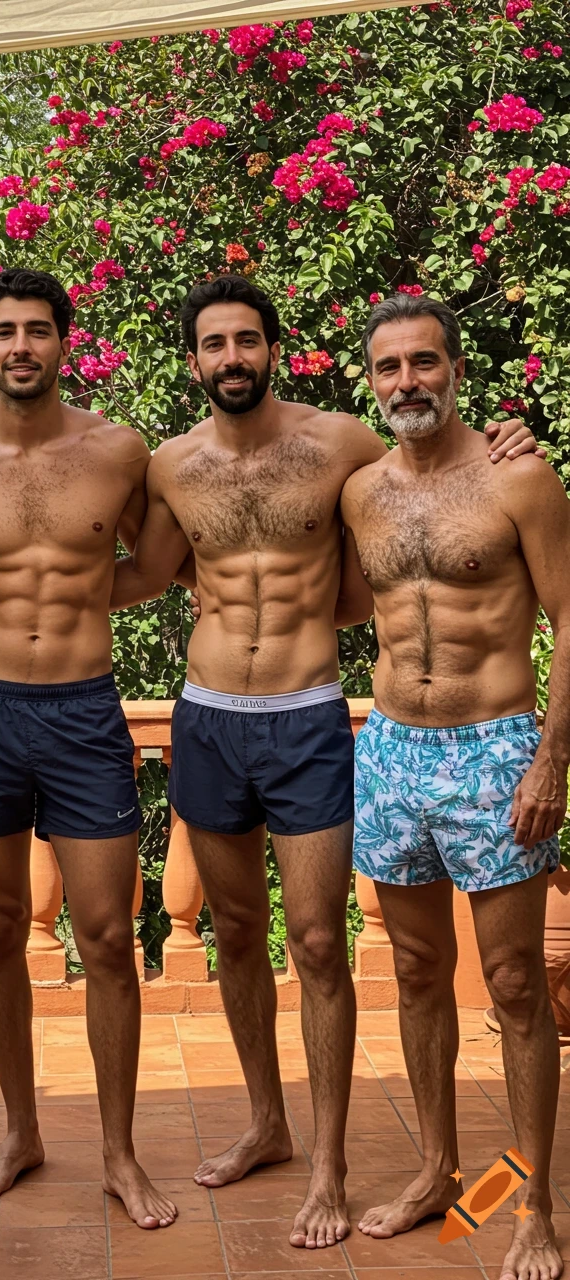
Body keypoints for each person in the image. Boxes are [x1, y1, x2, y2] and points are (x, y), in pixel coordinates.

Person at [109, 274, 541, 1250]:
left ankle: (330, 1162)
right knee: (233, 931)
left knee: (314, 941)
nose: (231, 358)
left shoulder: (343, 443)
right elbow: (140, 572)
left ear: (272, 347)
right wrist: (29, 565)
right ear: (192, 360)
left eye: (247, 341)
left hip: (310, 713)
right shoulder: (169, 466)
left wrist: (514, 438)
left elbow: (406, 532)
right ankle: (267, 1120)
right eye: (212, 343)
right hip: (210, 711)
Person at [0, 268, 181, 1229]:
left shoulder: (118, 452)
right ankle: (22, 1130)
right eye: (3, 332)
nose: (19, 346)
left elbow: (154, 565)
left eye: (37, 330)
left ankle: (118, 1153)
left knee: (109, 937)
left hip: (83, 713)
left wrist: (65, 616)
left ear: (65, 342)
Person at [341, 292, 565, 1280]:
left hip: (492, 748)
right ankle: (436, 1169)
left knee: (515, 983)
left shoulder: (517, 476)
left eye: (422, 362)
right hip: (389, 747)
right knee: (414, 968)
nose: (406, 382)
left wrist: (550, 757)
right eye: (387, 367)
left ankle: (532, 1207)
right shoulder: (361, 491)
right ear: (371, 379)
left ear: (455, 369)